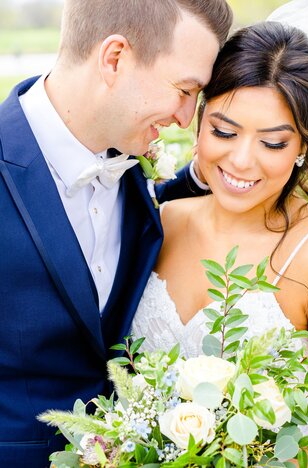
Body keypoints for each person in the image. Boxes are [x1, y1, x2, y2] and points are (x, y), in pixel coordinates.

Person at [131, 20, 308, 467]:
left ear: (301, 150)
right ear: (198, 123)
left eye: (272, 142)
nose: (241, 160)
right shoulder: (160, 225)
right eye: (224, 132)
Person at [0, 0, 232, 465]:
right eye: (185, 90)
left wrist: (203, 179)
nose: (187, 119)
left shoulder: (126, 154)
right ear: (115, 59)